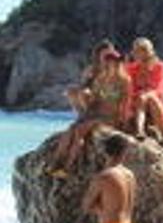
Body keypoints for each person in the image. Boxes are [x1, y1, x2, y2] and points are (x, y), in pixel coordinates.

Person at [49, 49, 131, 177]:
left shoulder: (124, 81)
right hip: (96, 114)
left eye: (112, 62)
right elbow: (94, 101)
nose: (109, 65)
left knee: (79, 131)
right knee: (71, 129)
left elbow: (125, 104)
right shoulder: (100, 79)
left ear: (117, 63)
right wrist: (82, 96)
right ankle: (56, 162)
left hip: (110, 118)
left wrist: (123, 123)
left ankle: (67, 167)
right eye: (107, 62)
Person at [126, 38, 163, 142]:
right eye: (137, 52)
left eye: (141, 51)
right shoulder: (131, 68)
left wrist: (147, 94)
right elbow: (130, 88)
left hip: (154, 98)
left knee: (151, 99)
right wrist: (141, 94)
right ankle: (140, 131)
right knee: (142, 98)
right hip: (137, 100)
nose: (138, 55)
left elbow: (159, 87)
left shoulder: (159, 66)